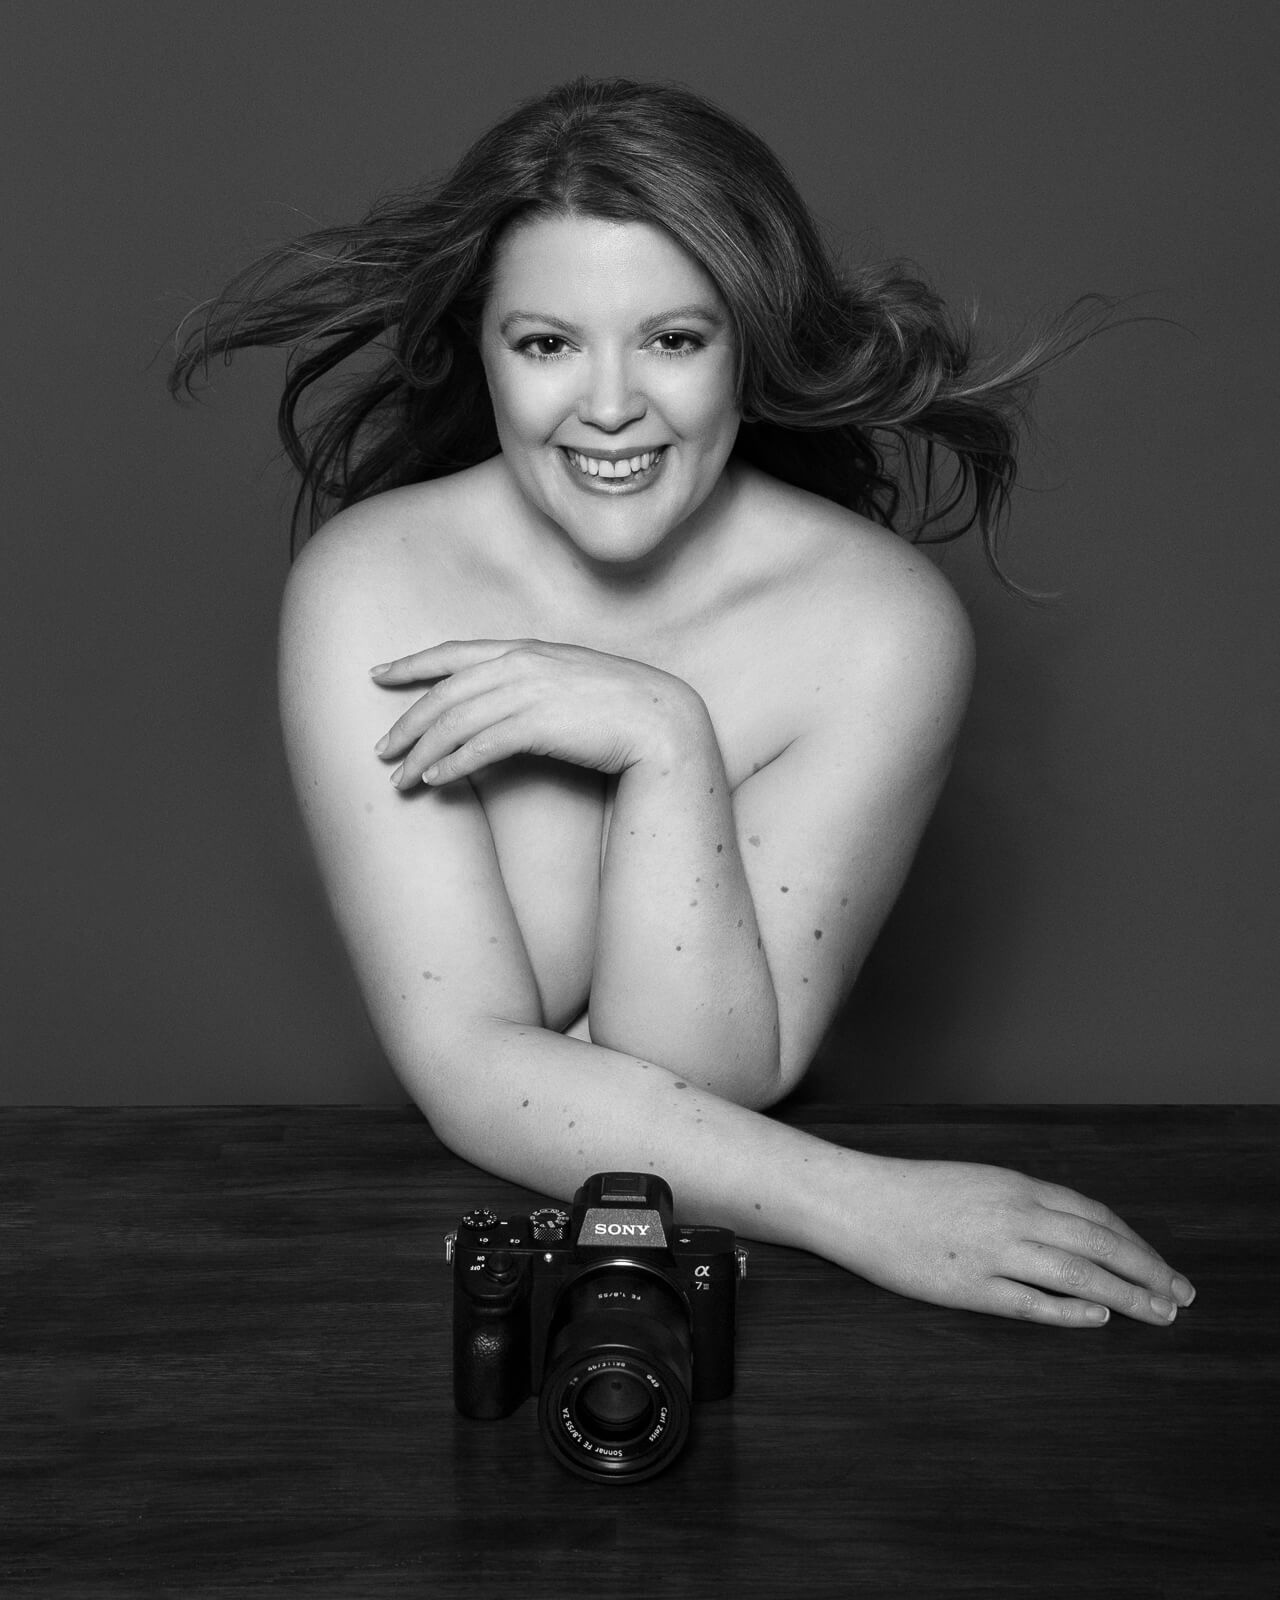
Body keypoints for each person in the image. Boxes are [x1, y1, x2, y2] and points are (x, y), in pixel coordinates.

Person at [171, 77, 1194, 1328]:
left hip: (712, 1279)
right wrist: (865, 1207)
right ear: (481, 349)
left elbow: (705, 1075)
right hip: (436, 1268)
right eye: (547, 343)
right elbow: (465, 1064)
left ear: (746, 348)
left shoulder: (876, 627)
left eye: (673, 338)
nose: (609, 406)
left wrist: (663, 738)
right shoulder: (372, 586)